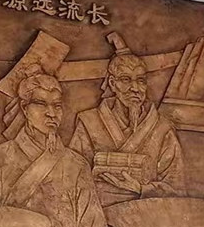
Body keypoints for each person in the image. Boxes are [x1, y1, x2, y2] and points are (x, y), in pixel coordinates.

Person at [0, 66, 111, 227]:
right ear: (25, 108)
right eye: (41, 104)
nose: (51, 113)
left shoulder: (76, 164)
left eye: (57, 105)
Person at [69, 35, 185, 207]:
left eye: (141, 81)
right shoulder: (89, 122)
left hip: (146, 214)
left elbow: (177, 188)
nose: (135, 88)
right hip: (98, 213)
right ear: (112, 83)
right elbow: (71, 178)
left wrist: (140, 188)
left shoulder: (162, 128)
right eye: (126, 80)